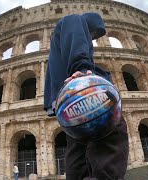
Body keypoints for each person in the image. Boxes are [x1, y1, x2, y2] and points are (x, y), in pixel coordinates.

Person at [44, 13, 129, 180]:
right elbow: (77, 44)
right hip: (83, 90)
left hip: (66, 101)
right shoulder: (74, 20)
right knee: (111, 132)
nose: (91, 38)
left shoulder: (57, 41)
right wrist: (83, 70)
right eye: (92, 34)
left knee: (78, 147)